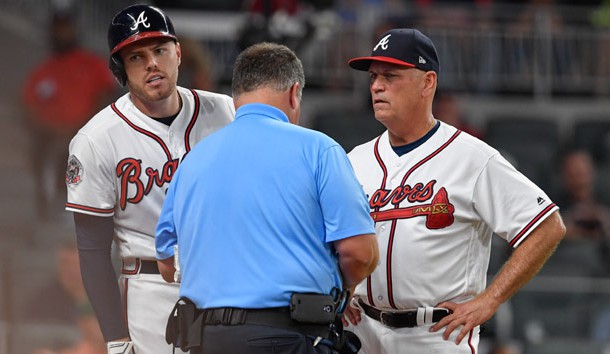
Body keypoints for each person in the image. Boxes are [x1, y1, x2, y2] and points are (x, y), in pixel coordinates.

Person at [343, 28, 566, 353]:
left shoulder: (473, 158)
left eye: (391, 75)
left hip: (435, 334)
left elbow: (547, 226)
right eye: (374, 76)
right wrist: (340, 287)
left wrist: (489, 301)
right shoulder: (356, 160)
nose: (376, 86)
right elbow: (333, 237)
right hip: (362, 330)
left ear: (427, 82)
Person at [155, 42, 379, 354]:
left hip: (207, 339)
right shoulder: (318, 149)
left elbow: (168, 263)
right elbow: (361, 254)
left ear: (236, 99)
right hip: (286, 334)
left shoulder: (193, 160)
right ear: (294, 92)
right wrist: (338, 288)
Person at [65, 4, 235, 354]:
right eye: (136, 57)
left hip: (228, 282)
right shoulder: (97, 139)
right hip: (148, 291)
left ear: (178, 52)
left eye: (159, 50)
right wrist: (115, 336)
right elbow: (93, 250)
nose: (152, 63)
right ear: (121, 72)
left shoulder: (226, 112)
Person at [21, 9, 116, 220]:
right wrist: (49, 129)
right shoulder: (43, 70)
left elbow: (107, 96)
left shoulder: (90, 64)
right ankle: (46, 214)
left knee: (74, 152)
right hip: (50, 137)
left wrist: (82, 128)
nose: (62, 34)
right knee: (44, 154)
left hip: (85, 134)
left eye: (66, 29)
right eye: (58, 29)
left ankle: (73, 214)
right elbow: (28, 106)